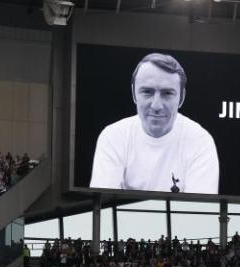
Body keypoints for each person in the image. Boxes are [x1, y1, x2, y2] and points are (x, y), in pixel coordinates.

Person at [89, 53, 219, 195]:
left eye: (167, 93)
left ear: (181, 98)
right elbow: (103, 207)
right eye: (147, 92)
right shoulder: (113, 137)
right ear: (133, 94)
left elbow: (199, 212)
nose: (156, 106)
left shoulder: (200, 141)